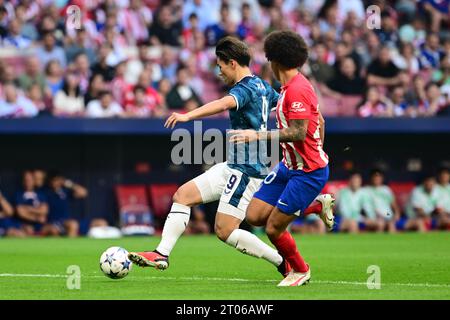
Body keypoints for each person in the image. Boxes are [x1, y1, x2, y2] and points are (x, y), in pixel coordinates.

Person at [128, 36, 333, 278]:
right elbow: (301, 112)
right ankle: (161, 253)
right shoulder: (264, 86)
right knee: (182, 196)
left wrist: (187, 116)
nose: (219, 71)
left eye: (220, 65)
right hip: (233, 165)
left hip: (247, 170)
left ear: (232, 63)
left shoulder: (244, 88)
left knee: (226, 230)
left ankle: (282, 261)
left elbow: (223, 103)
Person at [228, 30, 335, 286]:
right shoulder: (288, 88)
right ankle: (316, 206)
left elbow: (298, 132)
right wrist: (319, 146)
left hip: (308, 171)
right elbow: (320, 120)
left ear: (274, 60)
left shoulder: (297, 90)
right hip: (289, 166)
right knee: (254, 216)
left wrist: (256, 136)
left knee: (274, 228)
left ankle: (300, 269)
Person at [41, 171, 88, 237]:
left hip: (64, 222)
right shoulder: (46, 192)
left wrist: (68, 183)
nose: (55, 182)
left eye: (57, 180)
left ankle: (71, 246)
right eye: (53, 180)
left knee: (73, 224)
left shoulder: (64, 191)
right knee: (53, 230)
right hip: (51, 222)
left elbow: (83, 193)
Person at [14, 171, 48, 236]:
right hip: (24, 224)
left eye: (30, 180)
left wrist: (28, 208)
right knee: (28, 229)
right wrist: (37, 217)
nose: (28, 182)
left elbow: (44, 210)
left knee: (52, 229)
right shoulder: (19, 194)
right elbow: (21, 212)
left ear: (34, 181)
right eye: (26, 180)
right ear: (23, 181)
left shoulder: (40, 194)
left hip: (40, 225)